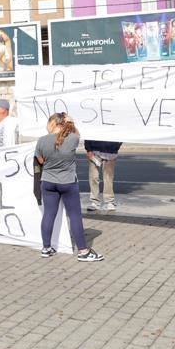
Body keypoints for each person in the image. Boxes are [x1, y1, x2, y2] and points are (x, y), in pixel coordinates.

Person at [36, 112, 104, 262]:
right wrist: (71, 122)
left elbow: (40, 161)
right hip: (67, 182)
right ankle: (83, 251)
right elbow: (78, 135)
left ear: (53, 123)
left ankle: (46, 248)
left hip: (47, 182)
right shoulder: (72, 138)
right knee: (74, 216)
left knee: (48, 215)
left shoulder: (41, 140)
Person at [85, 140, 122, 212]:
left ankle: (109, 201)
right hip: (94, 151)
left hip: (110, 152)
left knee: (108, 178)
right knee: (93, 177)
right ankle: (94, 201)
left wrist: (115, 147)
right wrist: (88, 150)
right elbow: (89, 133)